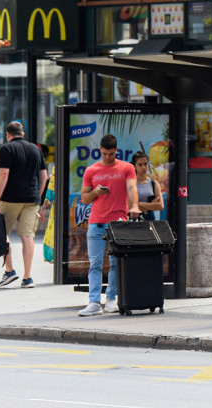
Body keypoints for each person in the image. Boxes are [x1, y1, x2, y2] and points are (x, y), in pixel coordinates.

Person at [76, 134, 139, 316]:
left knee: (115, 263)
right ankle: (94, 302)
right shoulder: (91, 170)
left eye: (111, 154)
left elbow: (132, 188)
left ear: (116, 151)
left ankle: (111, 299)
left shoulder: (127, 168)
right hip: (96, 222)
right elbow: (84, 198)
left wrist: (134, 205)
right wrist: (96, 192)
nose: (108, 157)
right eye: (104, 154)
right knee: (95, 264)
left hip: (117, 222)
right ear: (100, 151)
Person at [0, 121, 48, 289]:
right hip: (32, 199)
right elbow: (44, 176)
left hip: (10, 198)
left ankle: (9, 271)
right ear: (22, 134)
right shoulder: (36, 150)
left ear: (8, 135)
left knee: (2, 233)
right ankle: (27, 277)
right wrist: (38, 195)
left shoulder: (6, 149)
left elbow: (4, 174)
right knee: (28, 236)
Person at [131, 151, 164, 222]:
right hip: (134, 220)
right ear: (134, 166)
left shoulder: (154, 183)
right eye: (140, 165)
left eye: (145, 164)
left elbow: (160, 206)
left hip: (150, 219)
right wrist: (151, 205)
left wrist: (139, 204)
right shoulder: (130, 184)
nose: (143, 167)